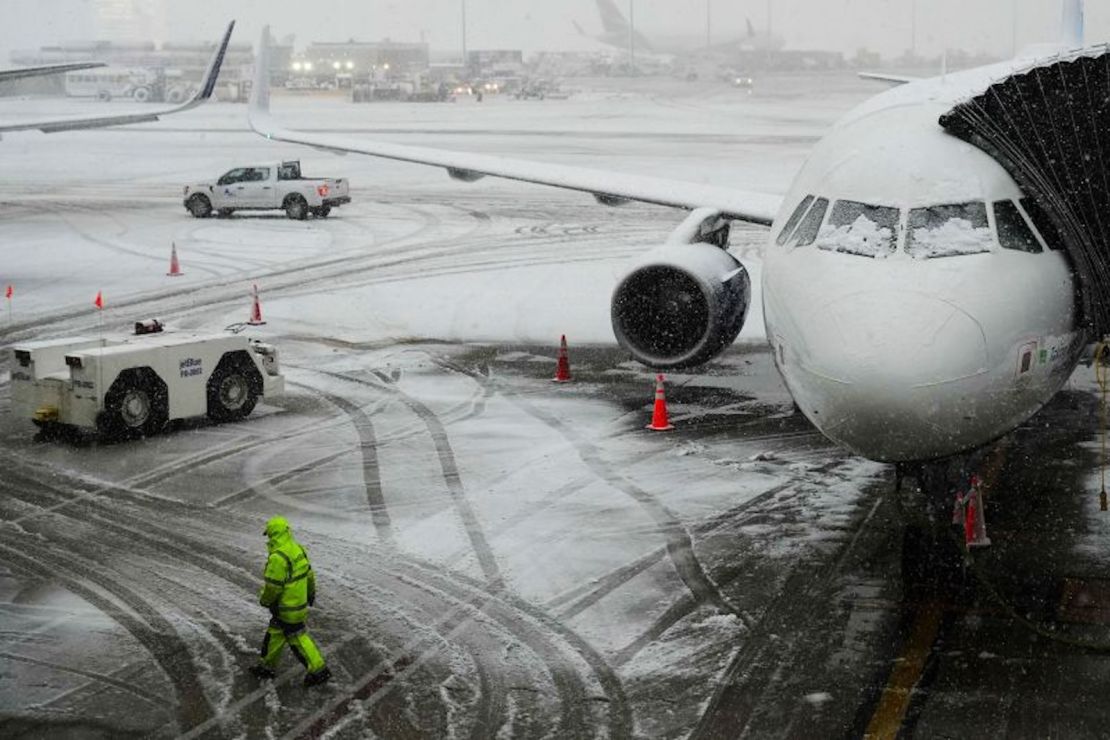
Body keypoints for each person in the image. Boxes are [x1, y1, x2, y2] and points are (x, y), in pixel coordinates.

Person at [250, 516, 331, 686]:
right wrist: (311, 593)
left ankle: (318, 670)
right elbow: (309, 575)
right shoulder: (297, 549)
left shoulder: (278, 558)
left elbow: (273, 587)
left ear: (272, 534)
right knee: (275, 632)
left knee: (297, 638)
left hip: (286, 608)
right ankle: (266, 666)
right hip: (299, 604)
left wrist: (265, 601)